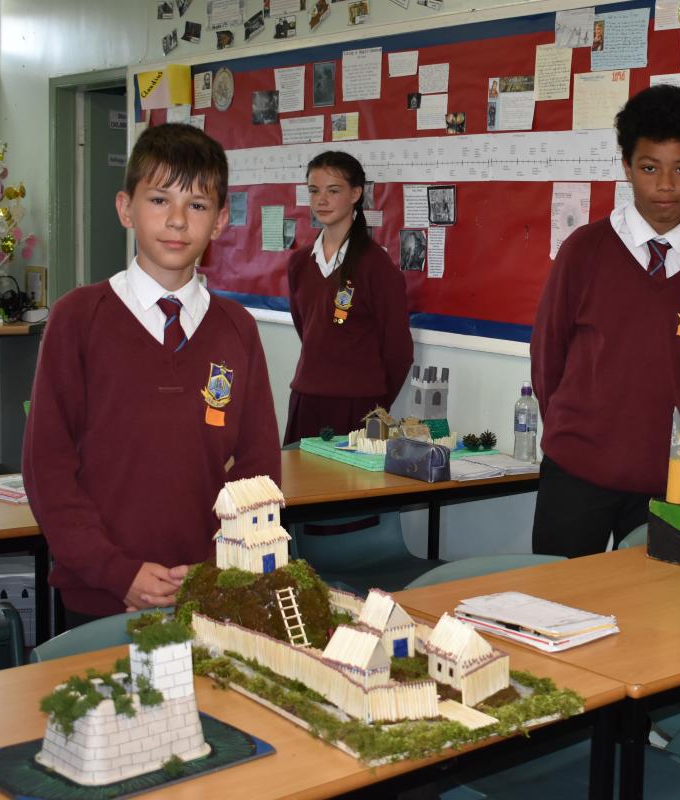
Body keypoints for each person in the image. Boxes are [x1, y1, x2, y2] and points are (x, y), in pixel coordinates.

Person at [22, 124, 281, 628]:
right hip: (102, 596)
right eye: (160, 200)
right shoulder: (78, 318)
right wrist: (117, 572)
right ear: (126, 208)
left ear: (220, 221)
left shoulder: (237, 328)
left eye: (197, 205)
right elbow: (47, 467)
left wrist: (218, 567)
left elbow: (258, 467)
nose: (178, 220)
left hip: (209, 592)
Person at [530, 84, 680, 558]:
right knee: (556, 593)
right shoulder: (584, 250)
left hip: (664, 476)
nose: (665, 185)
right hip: (575, 470)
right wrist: (572, 432)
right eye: (649, 168)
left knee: (651, 601)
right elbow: (547, 356)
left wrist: (674, 448)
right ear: (627, 167)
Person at [283, 151, 413, 445]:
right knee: (298, 474)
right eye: (314, 191)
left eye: (333, 191)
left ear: (356, 194)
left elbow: (399, 350)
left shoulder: (376, 265)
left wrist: (376, 401)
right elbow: (308, 329)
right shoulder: (299, 263)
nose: (321, 200)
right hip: (307, 398)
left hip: (359, 406)